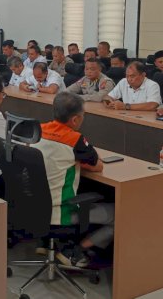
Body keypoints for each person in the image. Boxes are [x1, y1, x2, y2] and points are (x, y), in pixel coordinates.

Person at [34, 91, 114, 267]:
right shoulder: (75, 139)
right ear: (76, 119)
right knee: (119, 215)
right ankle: (76, 250)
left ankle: (47, 242)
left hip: (33, 207)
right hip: (59, 211)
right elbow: (98, 165)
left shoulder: (38, 129)